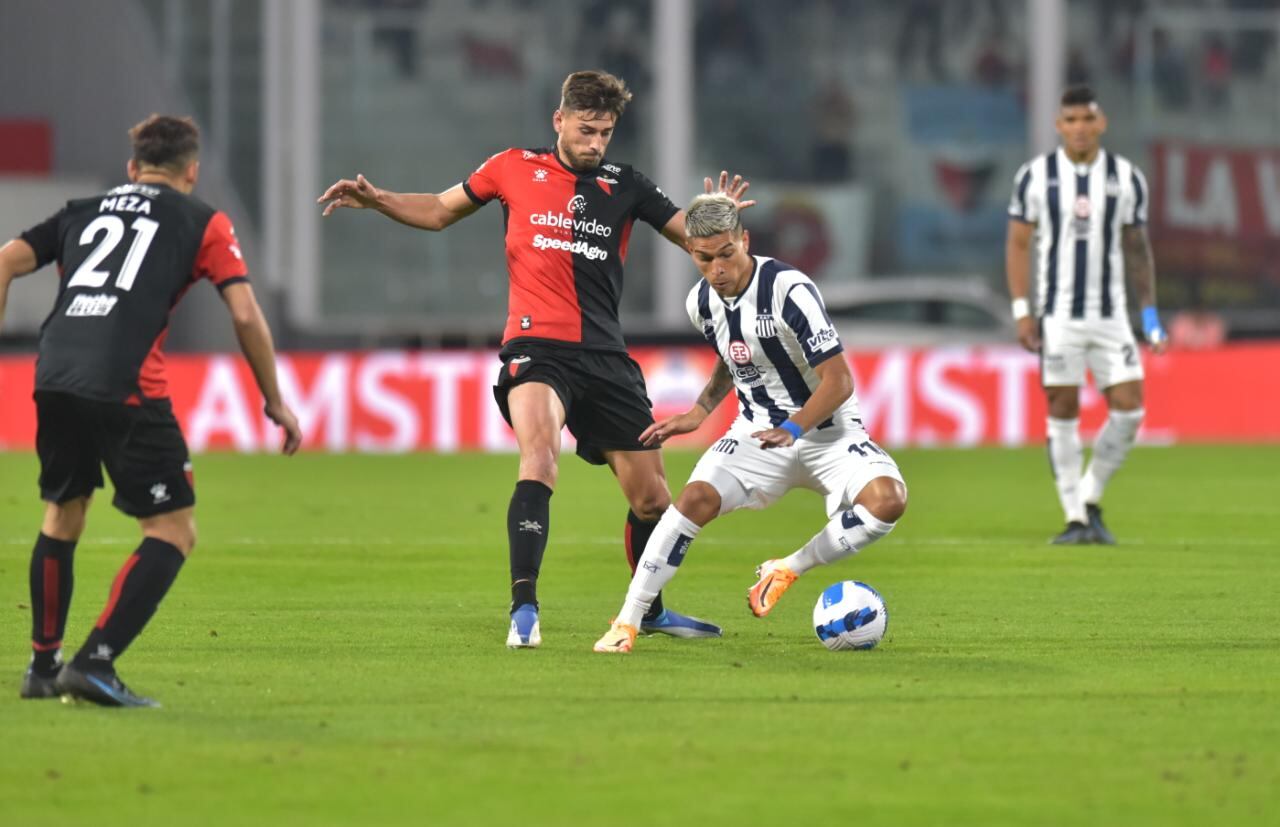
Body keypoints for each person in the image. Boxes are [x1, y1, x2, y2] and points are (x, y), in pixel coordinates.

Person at [318, 70, 752, 648]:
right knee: (541, 457)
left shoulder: (627, 184)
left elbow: (695, 237)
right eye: (586, 129)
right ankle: (524, 608)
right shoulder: (511, 166)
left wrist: (723, 220)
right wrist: (378, 201)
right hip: (535, 347)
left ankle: (648, 610)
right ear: (560, 120)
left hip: (604, 356)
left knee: (653, 499)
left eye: (606, 132)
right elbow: (440, 209)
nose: (596, 143)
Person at [0, 115, 302, 706]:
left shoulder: (80, 210)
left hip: (55, 371)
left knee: (62, 515)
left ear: (132, 167)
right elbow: (243, 314)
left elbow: (6, 260)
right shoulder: (203, 219)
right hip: (127, 382)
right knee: (172, 530)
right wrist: (274, 399)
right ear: (190, 171)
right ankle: (94, 663)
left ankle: (42, 667)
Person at [593, 194, 908, 654]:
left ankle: (788, 568)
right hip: (755, 433)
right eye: (704, 258)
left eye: (726, 254)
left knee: (888, 501)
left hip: (827, 434)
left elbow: (839, 381)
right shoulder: (700, 302)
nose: (717, 269)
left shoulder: (789, 289)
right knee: (693, 500)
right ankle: (627, 621)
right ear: (691, 254)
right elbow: (732, 355)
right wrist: (700, 411)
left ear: (745, 241)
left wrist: (795, 428)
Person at [1005, 86, 1166, 546]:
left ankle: (1089, 495)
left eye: (1086, 119)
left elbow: (1137, 249)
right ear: (1059, 125)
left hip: (1112, 314)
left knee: (1131, 409)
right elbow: (1018, 245)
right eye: (1070, 119)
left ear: (1101, 124)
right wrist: (1022, 311)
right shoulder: (1036, 177)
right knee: (1062, 408)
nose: (1079, 127)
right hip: (1058, 317)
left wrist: (1150, 313)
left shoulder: (1126, 178)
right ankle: (1076, 518)